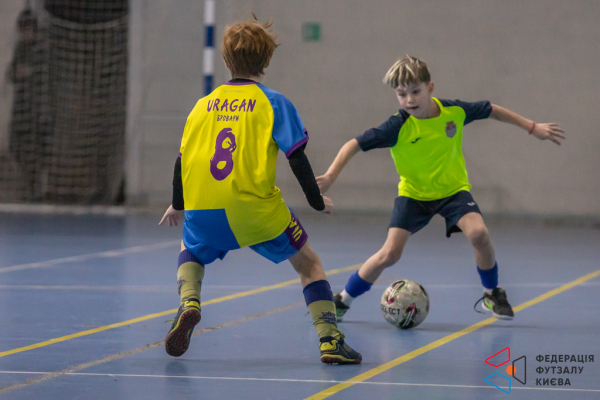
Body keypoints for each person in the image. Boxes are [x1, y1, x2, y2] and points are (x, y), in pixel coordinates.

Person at [159, 18, 361, 364]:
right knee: (309, 264)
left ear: (225, 61)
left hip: (204, 208)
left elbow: (181, 163)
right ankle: (330, 341)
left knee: (189, 245)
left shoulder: (201, 106)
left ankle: (189, 300)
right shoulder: (274, 103)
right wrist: (316, 202)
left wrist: (178, 204)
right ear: (266, 60)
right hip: (255, 212)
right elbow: (297, 159)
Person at [316, 55, 565, 322]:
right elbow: (353, 144)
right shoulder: (397, 126)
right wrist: (330, 176)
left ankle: (491, 293)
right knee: (390, 254)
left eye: (415, 91)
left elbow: (491, 109)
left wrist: (532, 127)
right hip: (414, 195)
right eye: (401, 94)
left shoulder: (454, 111)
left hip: (453, 192)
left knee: (479, 234)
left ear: (430, 88)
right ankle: (343, 300)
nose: (409, 100)